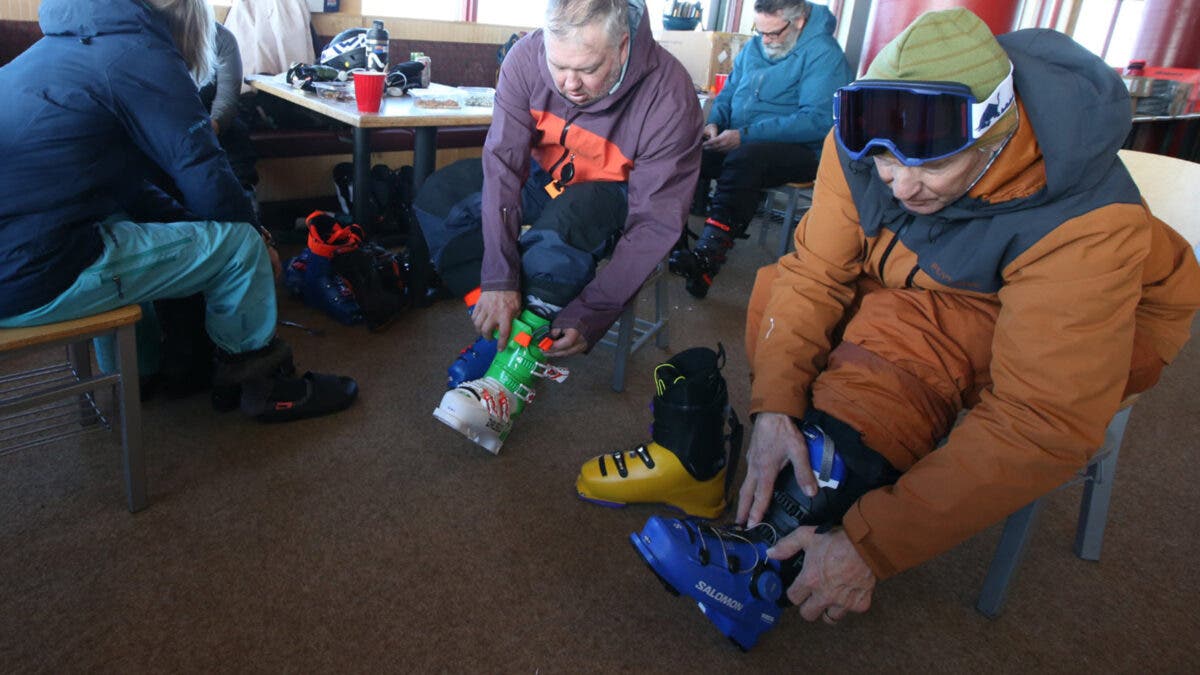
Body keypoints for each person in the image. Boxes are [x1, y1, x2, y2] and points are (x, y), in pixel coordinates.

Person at [628, 8, 1200, 648]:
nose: (898, 182)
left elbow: (1042, 418)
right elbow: (815, 272)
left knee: (911, 338)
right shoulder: (860, 140)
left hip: (1076, 314)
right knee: (782, 291)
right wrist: (773, 406)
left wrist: (875, 547)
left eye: (926, 166)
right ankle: (805, 475)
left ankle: (769, 557)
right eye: (881, 164)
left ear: (994, 133)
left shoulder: (1090, 226)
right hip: (925, 263)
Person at [0, 0, 357, 423]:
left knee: (133, 220)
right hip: (31, 270)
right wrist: (256, 238)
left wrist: (197, 228)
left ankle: (139, 374)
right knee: (240, 246)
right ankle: (262, 385)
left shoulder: (66, 43)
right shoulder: (139, 52)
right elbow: (204, 169)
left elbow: (129, 189)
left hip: (22, 246)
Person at [414, 0, 702, 453]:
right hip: (545, 177)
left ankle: (507, 381)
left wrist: (594, 312)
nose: (569, 85)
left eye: (587, 69)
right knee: (438, 198)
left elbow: (655, 224)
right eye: (558, 65)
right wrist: (497, 276)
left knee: (561, 230)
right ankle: (508, 331)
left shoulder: (671, 95)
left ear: (623, 44)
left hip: (613, 193)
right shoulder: (525, 58)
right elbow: (504, 167)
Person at [670, 0, 851, 299]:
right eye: (760, 30)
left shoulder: (825, 55)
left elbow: (818, 121)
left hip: (799, 151)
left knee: (746, 159)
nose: (764, 40)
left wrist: (745, 135)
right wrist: (714, 123)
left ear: (800, 22)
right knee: (685, 151)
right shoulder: (755, 47)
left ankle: (707, 258)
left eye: (773, 33)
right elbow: (728, 93)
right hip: (740, 138)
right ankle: (671, 243)